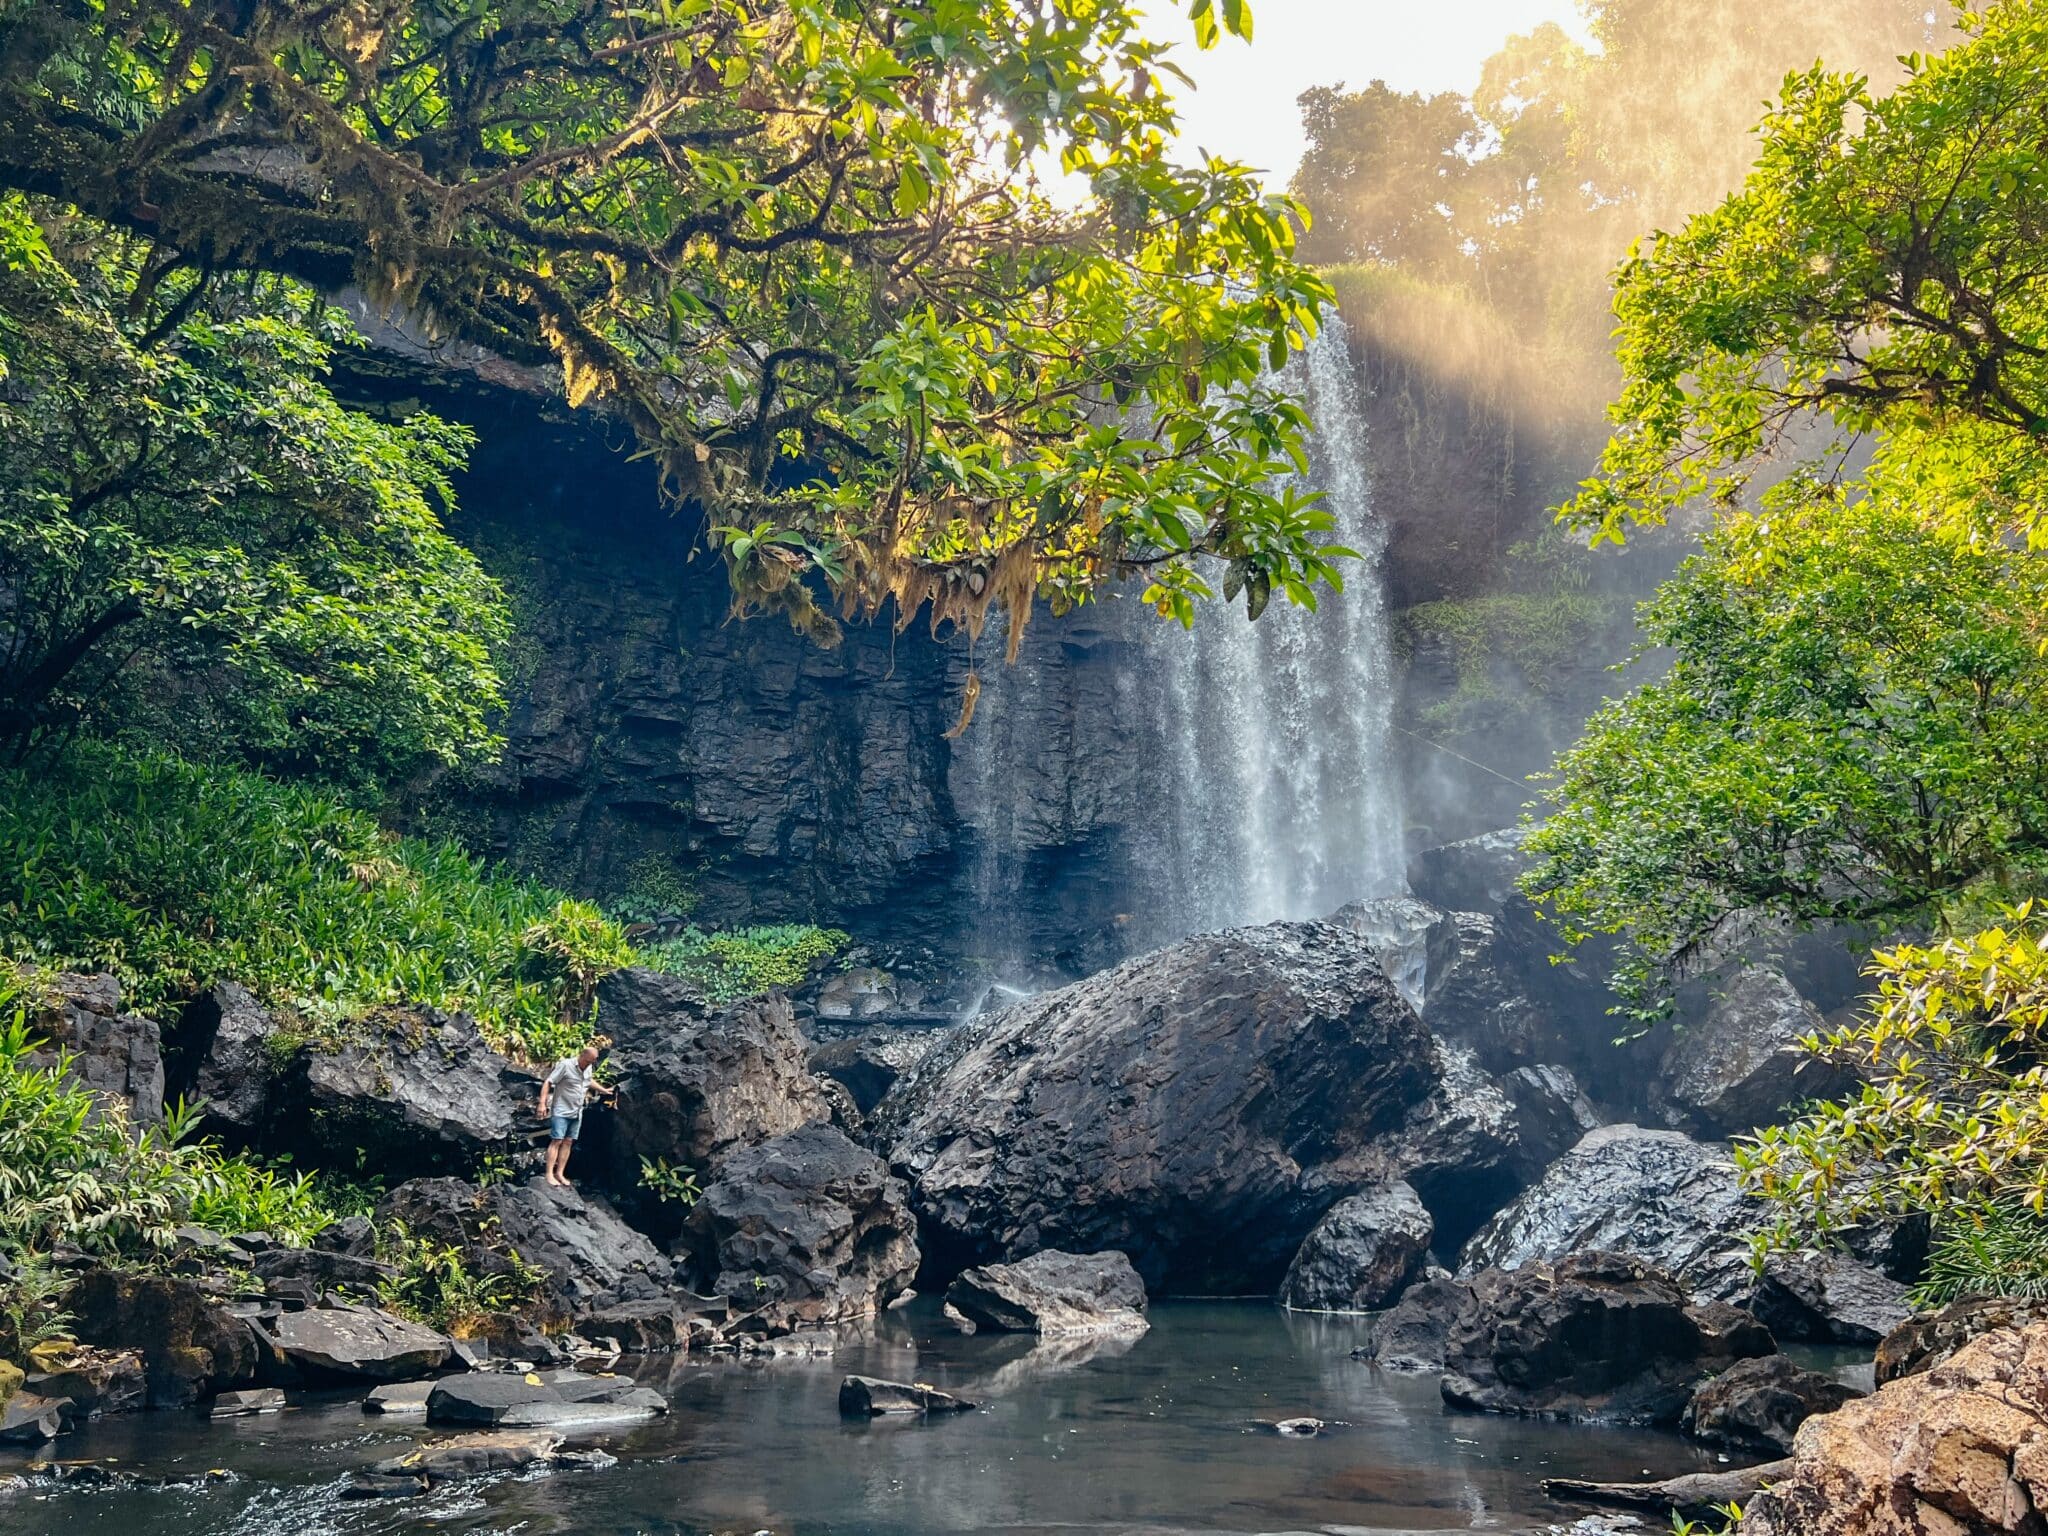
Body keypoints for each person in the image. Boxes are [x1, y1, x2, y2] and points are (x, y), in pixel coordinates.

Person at [538, 1041, 615, 1187]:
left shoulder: (588, 1067)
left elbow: (588, 1081)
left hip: (576, 1111)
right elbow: (548, 1082)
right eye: (588, 1061)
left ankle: (560, 1173)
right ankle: (549, 1174)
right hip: (561, 1110)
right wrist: (542, 1103)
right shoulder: (566, 1065)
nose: (589, 1064)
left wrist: (603, 1090)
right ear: (582, 1055)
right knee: (557, 1141)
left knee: (568, 1142)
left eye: (592, 1062)